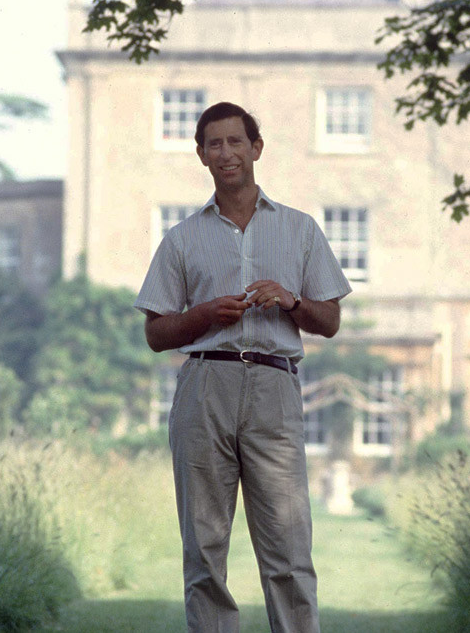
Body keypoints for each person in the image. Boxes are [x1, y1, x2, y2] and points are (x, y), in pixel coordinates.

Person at [134, 101, 351, 633]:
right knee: (204, 549)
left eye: (236, 141)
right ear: (202, 156)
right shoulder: (182, 239)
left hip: (274, 388)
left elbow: (330, 321)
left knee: (288, 546)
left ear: (256, 148)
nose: (226, 153)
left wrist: (291, 301)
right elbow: (156, 333)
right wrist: (203, 315)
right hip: (205, 384)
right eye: (214, 144)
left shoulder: (300, 230)